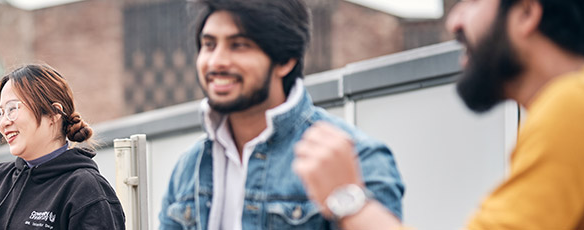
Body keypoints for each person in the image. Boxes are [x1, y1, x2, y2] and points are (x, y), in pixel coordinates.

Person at [292, 0, 584, 228]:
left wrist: (348, 199)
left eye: (473, 1)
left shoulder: (577, 105)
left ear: (527, 13)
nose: (454, 21)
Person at [158, 0, 406, 229]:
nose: (217, 61)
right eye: (209, 44)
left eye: (239, 45)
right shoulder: (189, 168)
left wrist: (348, 201)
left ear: (285, 59)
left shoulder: (354, 156)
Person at [0, 64, 125, 230]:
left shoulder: (86, 189)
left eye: (12, 109)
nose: (4, 123)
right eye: (0, 113)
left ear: (54, 113)